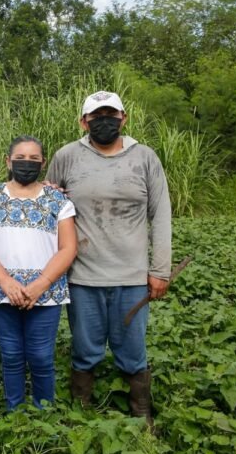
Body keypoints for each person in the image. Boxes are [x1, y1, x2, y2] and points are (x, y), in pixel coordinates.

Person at [45, 91, 172, 425]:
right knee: (85, 348)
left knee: (132, 348)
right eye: (96, 117)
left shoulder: (144, 157)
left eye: (111, 115)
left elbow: (161, 215)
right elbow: (48, 208)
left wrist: (160, 270)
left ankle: (141, 411)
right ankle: (81, 409)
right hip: (82, 275)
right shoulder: (67, 157)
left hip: (132, 276)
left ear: (123, 118)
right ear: (83, 122)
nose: (104, 122)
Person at [0, 136, 77, 411]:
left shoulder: (58, 200)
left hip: (45, 291)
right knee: (11, 354)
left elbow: (68, 248)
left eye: (33, 159)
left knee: (41, 355)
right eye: (20, 158)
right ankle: (14, 411)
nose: (26, 164)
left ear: (43, 163)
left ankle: (44, 410)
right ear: (8, 161)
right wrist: (6, 282)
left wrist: (41, 284)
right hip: (1, 290)